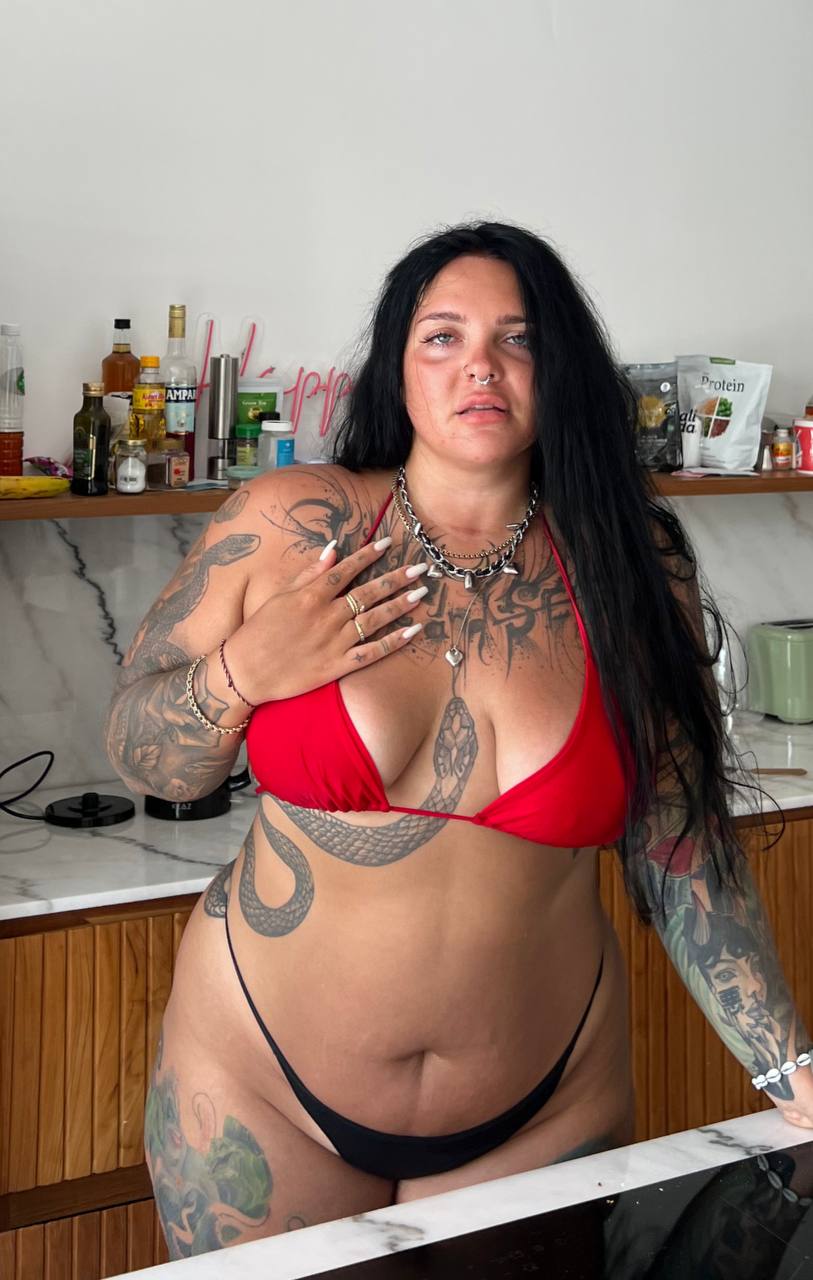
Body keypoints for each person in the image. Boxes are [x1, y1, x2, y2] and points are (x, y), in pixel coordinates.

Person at [105, 222, 813, 1260]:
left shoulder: (631, 559)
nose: (480, 365)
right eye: (443, 336)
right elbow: (142, 753)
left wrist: (790, 1065)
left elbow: (681, 840)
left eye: (517, 339)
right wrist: (243, 671)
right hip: (260, 1086)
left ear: (559, 369)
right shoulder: (291, 522)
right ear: (397, 365)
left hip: (543, 1103)